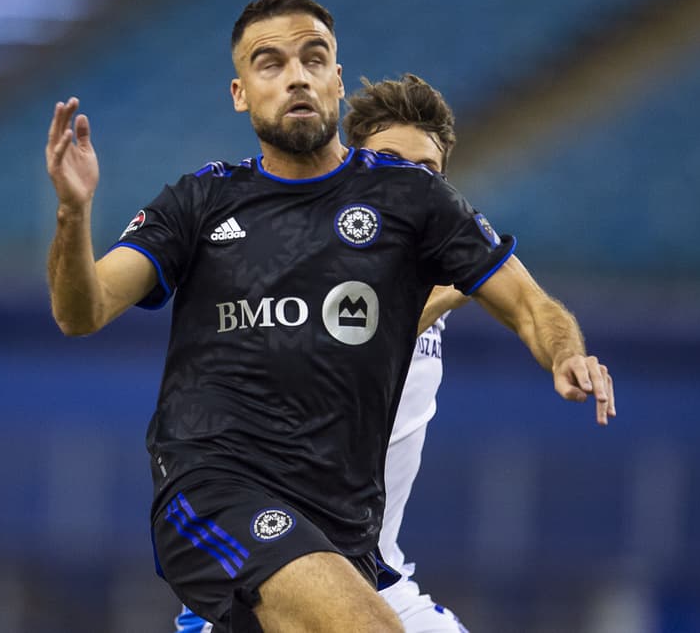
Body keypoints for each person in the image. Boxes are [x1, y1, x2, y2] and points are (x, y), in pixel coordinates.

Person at [45, 0, 615, 633]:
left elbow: (531, 304)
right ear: (240, 93)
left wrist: (567, 352)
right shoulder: (200, 203)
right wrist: (72, 212)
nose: (295, 77)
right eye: (270, 63)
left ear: (337, 81)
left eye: (313, 59)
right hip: (212, 494)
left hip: (341, 531)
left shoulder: (409, 201)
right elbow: (80, 311)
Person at [174, 73, 475, 633]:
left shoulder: (442, 261)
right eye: (388, 161)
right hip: (273, 574)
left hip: (377, 576)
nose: (406, 182)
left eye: (424, 172)